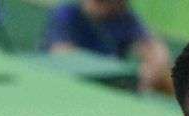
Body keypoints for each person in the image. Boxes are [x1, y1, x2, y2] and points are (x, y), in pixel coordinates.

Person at [41, 0, 172, 94]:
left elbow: (156, 51)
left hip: (111, 88)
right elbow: (62, 55)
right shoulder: (68, 12)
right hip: (70, 85)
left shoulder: (122, 16)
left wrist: (145, 75)